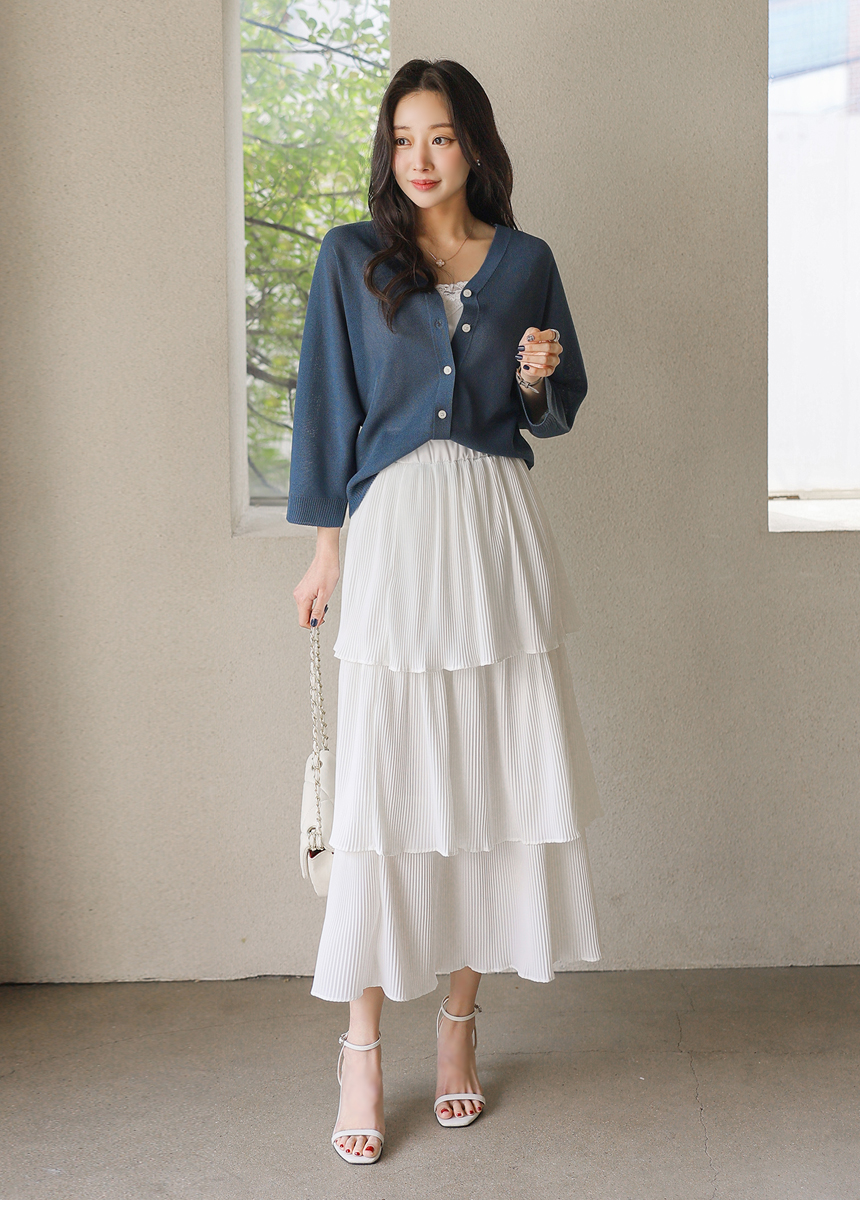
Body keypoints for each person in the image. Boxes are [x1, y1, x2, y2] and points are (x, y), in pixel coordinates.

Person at [288, 59, 603, 1164]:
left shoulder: (527, 260)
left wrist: (536, 375)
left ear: (473, 145)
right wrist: (325, 551)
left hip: (492, 534)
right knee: (384, 795)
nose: (418, 159)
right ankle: (362, 1052)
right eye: (402, 138)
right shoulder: (351, 256)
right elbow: (325, 403)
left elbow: (551, 408)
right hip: (394, 534)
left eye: (439, 137)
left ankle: (460, 1031)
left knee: (486, 782)